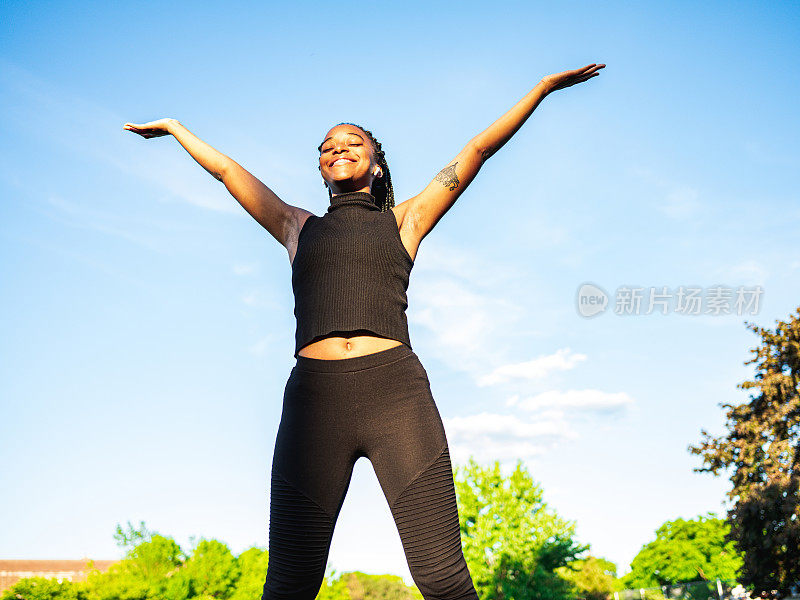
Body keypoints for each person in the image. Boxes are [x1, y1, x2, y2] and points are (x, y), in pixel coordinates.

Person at [123, 62, 604, 600]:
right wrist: (175, 128)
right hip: (314, 404)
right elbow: (229, 173)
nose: (338, 148)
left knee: (443, 579)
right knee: (288, 584)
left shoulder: (406, 221)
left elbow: (476, 152)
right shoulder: (297, 227)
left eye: (352, 142)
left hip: (395, 395)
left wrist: (540, 89)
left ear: (376, 165)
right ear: (321, 168)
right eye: (327, 147)